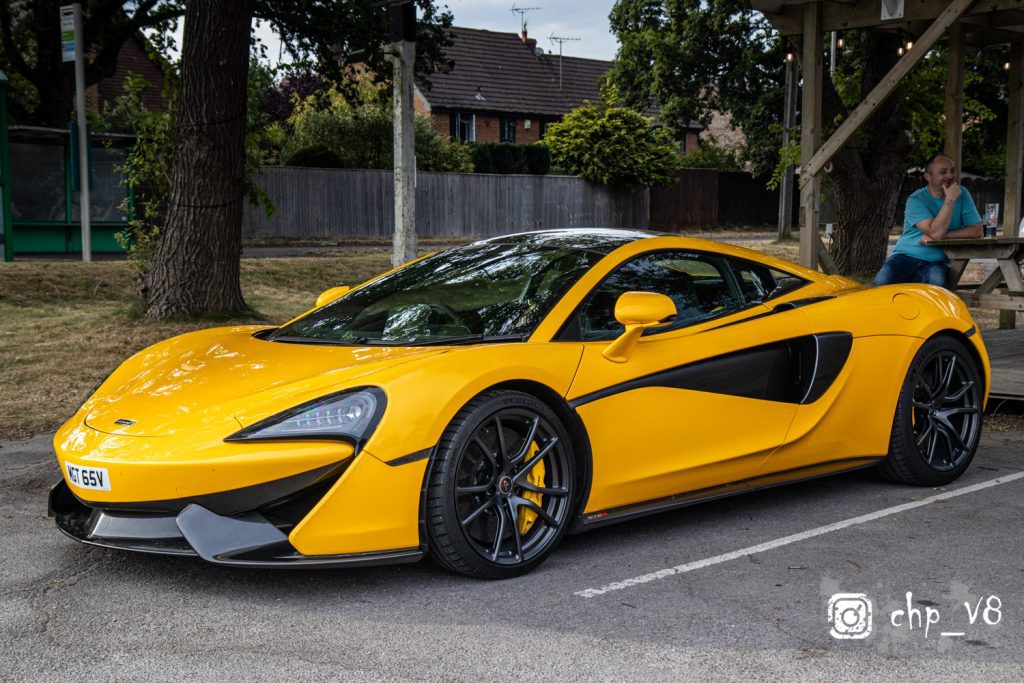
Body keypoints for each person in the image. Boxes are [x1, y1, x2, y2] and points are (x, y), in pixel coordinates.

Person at [873, 153, 983, 287]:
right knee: (881, 283)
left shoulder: (962, 194)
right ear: (927, 176)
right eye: (943, 172)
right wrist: (949, 200)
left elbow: (977, 231)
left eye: (952, 171)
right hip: (905, 256)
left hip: (936, 262)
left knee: (936, 287)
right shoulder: (916, 199)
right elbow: (935, 232)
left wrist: (943, 236)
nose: (950, 176)